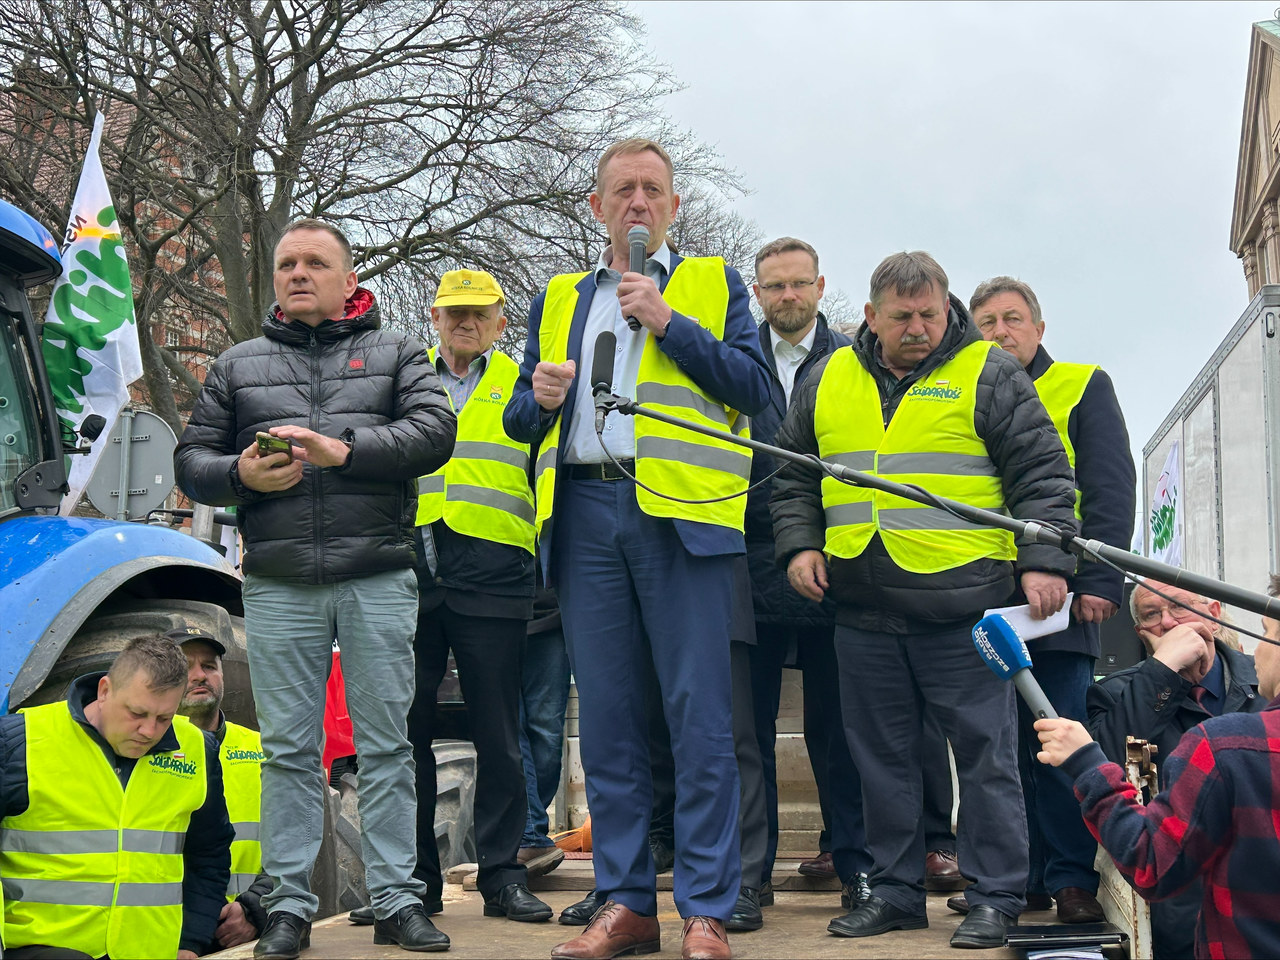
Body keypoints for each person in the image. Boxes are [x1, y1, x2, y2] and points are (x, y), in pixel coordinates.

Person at [504, 137, 771, 960]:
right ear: (596, 207)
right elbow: (518, 421)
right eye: (623, 191)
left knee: (700, 722)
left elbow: (756, 391)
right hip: (584, 516)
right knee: (610, 721)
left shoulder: (713, 284)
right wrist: (539, 397)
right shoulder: (558, 298)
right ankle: (623, 902)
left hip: (682, 522)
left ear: (675, 208)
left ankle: (704, 909)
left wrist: (667, 322)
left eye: (653, 191)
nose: (638, 205)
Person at [770, 251, 1078, 949]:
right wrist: (799, 546)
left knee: (986, 759)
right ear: (870, 315)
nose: (917, 328)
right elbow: (791, 477)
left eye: (930, 315)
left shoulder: (988, 373)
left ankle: (996, 896)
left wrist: (1043, 561)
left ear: (948, 311)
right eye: (901, 317)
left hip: (964, 609)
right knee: (879, 761)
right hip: (861, 608)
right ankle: (896, 892)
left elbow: (1043, 475)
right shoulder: (827, 377)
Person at [174, 218, 457, 957]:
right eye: (287, 263)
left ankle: (398, 900)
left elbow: (435, 433)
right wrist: (239, 473)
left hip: (377, 576)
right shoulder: (237, 366)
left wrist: (346, 449)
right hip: (279, 581)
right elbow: (190, 460)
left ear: (349, 279)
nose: (298, 273)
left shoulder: (398, 353)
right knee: (289, 751)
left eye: (315, 263)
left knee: (388, 745)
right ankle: (290, 907)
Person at [945, 276, 1135, 924]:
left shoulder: (1081, 385)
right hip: (984, 596)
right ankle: (1015, 876)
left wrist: (1102, 581)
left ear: (1039, 328)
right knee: (997, 746)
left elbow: (1108, 487)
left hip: (1060, 597)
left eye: (1013, 319)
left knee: (1060, 736)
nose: (1000, 332)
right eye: (987, 322)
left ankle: (1072, 878)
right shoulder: (960, 392)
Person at [407, 268, 551, 923]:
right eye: (454, 313)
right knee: (405, 734)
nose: (466, 324)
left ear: (499, 323)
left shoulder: (523, 384)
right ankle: (415, 883)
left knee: (500, 733)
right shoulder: (404, 379)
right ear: (435, 318)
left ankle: (501, 873)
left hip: (495, 571)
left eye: (479, 314)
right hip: (412, 570)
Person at [1037, 574, 1280, 960]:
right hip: (1172, 902)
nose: (1167, 622)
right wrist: (1163, 671)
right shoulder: (1116, 692)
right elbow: (1107, 767)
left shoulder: (1264, 680)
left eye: (1179, 607)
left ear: (1214, 615)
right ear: (1140, 632)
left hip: (1252, 889)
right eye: (1152, 614)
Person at [741, 238, 870, 909]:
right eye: (774, 286)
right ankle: (750, 874)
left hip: (836, 562)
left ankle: (856, 864)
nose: (787, 297)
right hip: (748, 559)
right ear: (757, 293)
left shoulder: (854, 361)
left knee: (840, 726)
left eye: (798, 284)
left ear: (821, 286)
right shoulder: (735, 361)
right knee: (747, 728)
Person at [0, 635, 233, 959]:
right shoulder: (19, 742)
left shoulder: (196, 750)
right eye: (137, 713)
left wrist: (192, 941)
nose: (149, 731)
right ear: (105, 690)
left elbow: (209, 855)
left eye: (164, 719)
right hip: (37, 951)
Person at [171, 624, 273, 951]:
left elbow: (297, 844)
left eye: (209, 666)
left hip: (249, 932)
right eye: (185, 667)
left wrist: (255, 908)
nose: (199, 675)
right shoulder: (138, 751)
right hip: (170, 934)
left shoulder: (264, 751)